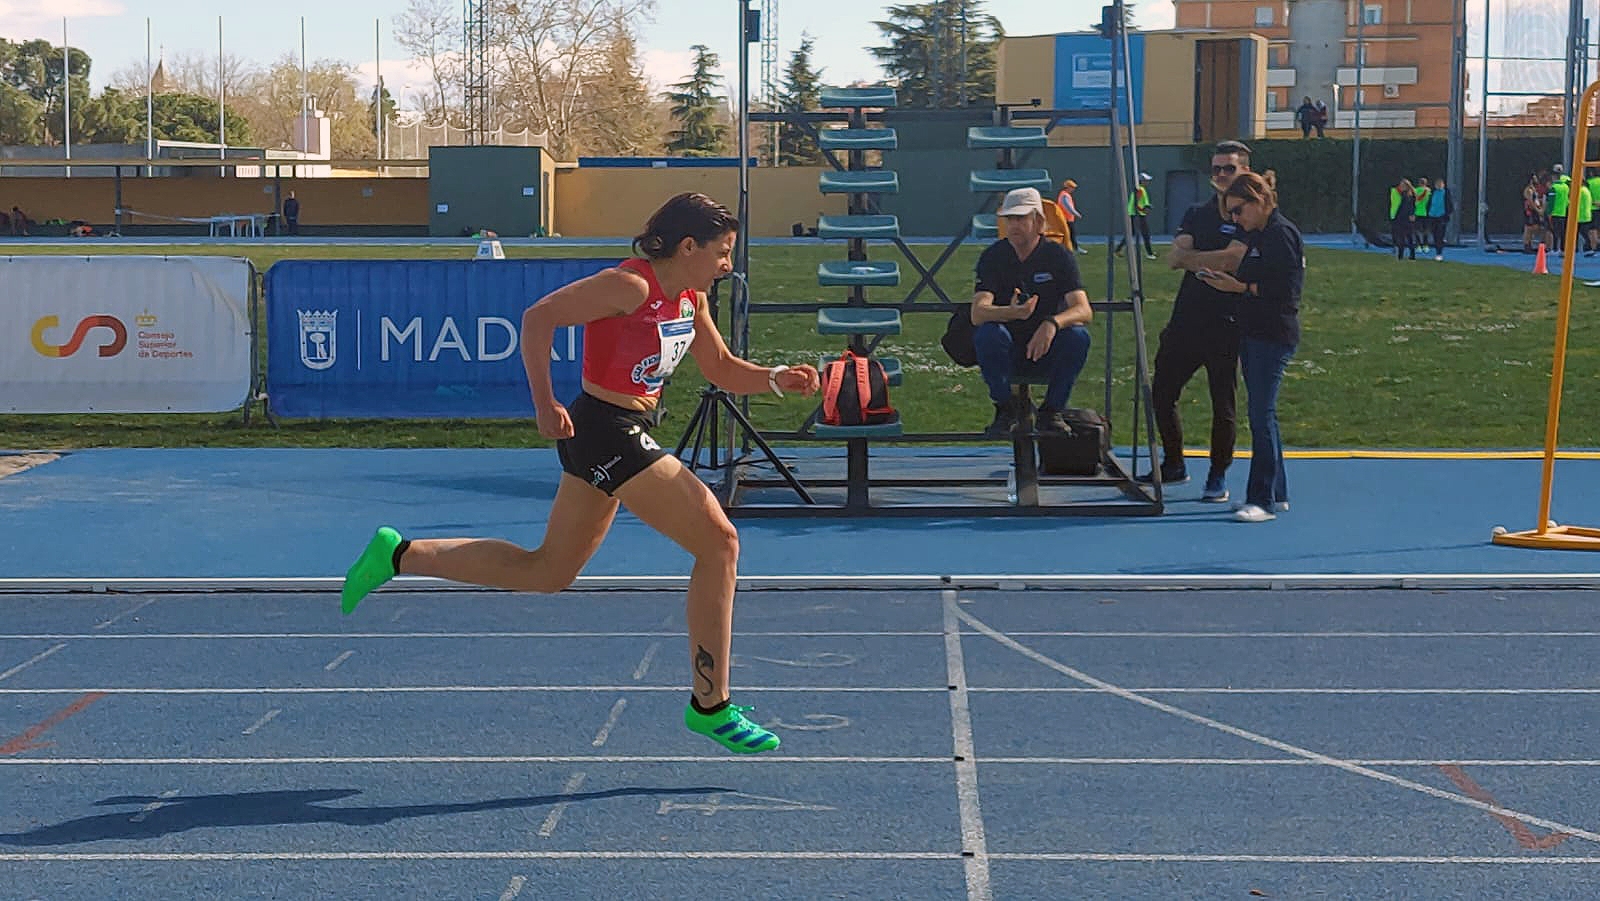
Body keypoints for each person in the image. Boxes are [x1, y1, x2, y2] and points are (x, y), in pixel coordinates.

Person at [338, 192, 822, 755]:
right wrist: (544, 403)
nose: (727, 265)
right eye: (722, 252)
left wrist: (774, 377)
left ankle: (398, 554)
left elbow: (719, 368)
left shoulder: (690, 299)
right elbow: (538, 318)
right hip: (603, 430)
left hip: (615, 433)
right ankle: (710, 705)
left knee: (547, 571)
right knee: (720, 542)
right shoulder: (630, 286)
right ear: (688, 246)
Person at [1141, 140, 1254, 498]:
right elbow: (1174, 258)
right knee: (1161, 393)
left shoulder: (1248, 218)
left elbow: (1234, 260)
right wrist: (1209, 259)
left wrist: (1198, 257)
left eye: (1229, 169)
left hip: (1227, 323)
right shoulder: (1195, 212)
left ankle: (1217, 474)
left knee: (1223, 404)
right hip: (1186, 320)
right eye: (1216, 169)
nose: (1221, 175)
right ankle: (1174, 463)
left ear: (1245, 172)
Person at [1196, 172, 1304, 523]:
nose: (1235, 220)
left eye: (1239, 211)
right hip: (1255, 331)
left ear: (1259, 202)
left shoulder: (1280, 235)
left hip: (1272, 334)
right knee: (1263, 414)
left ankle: (1263, 500)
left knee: (1261, 416)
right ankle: (1278, 492)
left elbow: (1286, 292)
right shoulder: (1257, 234)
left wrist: (1239, 289)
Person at [971, 187, 1093, 438]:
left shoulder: (1058, 256)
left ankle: (1051, 412)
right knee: (988, 334)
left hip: (1047, 348)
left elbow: (1083, 309)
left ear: (1038, 221)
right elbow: (978, 312)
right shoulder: (994, 256)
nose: (1014, 226)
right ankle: (1005, 407)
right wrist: (1011, 313)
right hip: (1008, 348)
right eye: (1010, 219)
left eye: (1021, 218)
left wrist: (1052, 323)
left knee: (1078, 337)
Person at [1114, 172, 1155, 260]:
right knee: (1145, 234)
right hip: (1137, 215)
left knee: (1131, 234)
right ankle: (1149, 253)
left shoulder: (1141, 189)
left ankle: (1118, 250)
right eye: (1146, 180)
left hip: (1136, 214)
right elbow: (1136, 203)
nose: (1148, 182)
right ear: (1141, 181)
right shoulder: (1140, 190)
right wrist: (1142, 209)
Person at [1056, 179, 1088, 254]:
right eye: (1072, 187)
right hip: (1066, 219)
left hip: (1068, 219)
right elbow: (1067, 206)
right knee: (1070, 234)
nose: (1073, 189)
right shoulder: (1064, 195)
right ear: (1068, 187)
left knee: (1069, 234)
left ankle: (1071, 248)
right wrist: (1076, 213)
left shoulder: (1064, 194)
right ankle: (1075, 249)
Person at [1426, 177, 1453, 261]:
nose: (1438, 186)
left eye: (1440, 184)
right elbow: (1430, 203)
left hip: (1441, 216)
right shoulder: (1433, 192)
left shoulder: (1445, 193)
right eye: (1437, 184)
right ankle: (1438, 247)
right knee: (1434, 234)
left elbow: (1449, 204)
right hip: (1432, 216)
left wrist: (1447, 214)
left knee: (1440, 234)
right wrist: (1428, 212)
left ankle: (1439, 253)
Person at [1388, 178, 1415, 260]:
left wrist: (1411, 215)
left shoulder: (1410, 196)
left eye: (1403, 185)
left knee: (1409, 236)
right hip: (1400, 217)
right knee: (1401, 237)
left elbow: (1411, 206)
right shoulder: (1402, 194)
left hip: (1406, 218)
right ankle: (1401, 255)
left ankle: (1412, 254)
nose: (1401, 186)